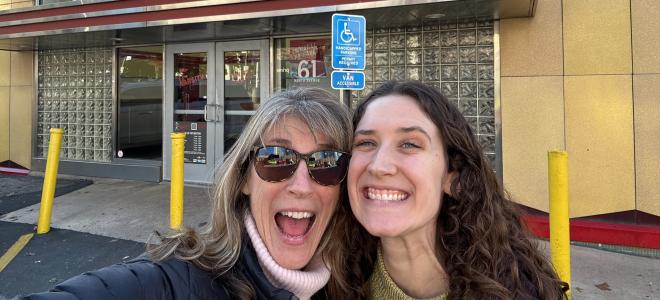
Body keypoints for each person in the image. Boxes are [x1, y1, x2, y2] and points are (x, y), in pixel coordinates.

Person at [21, 87, 355, 300]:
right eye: (276, 158)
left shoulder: (354, 282)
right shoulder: (177, 281)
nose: (300, 185)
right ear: (243, 179)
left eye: (326, 162)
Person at [346, 81, 567, 299]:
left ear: (452, 174)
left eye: (409, 144)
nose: (378, 166)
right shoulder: (331, 283)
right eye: (366, 143)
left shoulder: (517, 292)